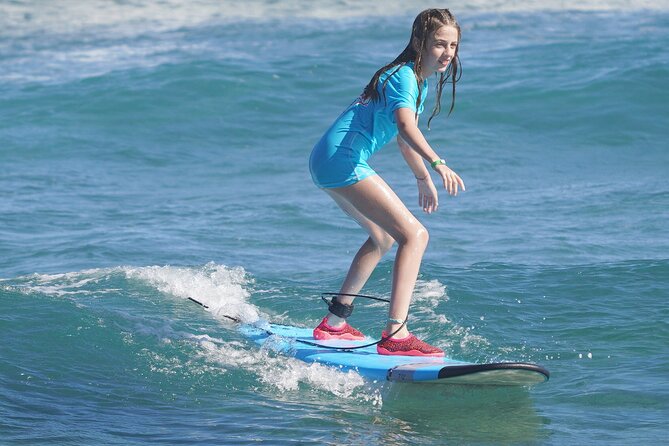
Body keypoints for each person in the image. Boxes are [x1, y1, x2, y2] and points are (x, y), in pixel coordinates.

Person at [309, 8, 466, 357]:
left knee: (381, 237)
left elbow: (400, 137)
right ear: (418, 42)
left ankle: (334, 323)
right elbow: (407, 129)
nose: (447, 53)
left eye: (453, 46)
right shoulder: (405, 77)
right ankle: (396, 334)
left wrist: (422, 178)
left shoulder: (414, 81)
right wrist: (438, 164)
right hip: (343, 159)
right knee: (415, 235)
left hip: (330, 159)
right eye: (440, 44)